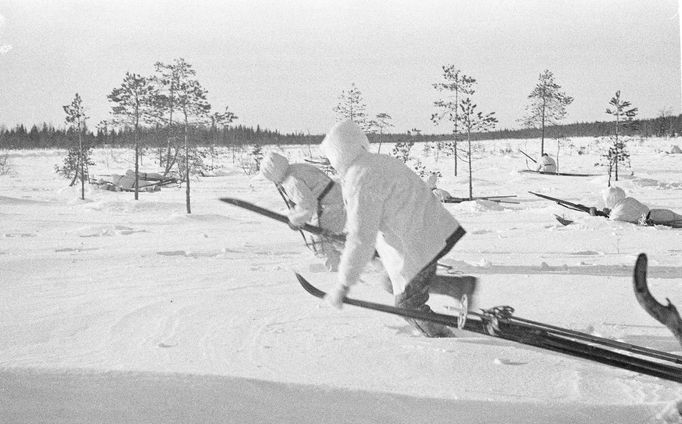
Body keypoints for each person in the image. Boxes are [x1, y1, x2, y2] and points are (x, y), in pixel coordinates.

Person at [320, 120, 471, 337]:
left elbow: (361, 237)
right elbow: (374, 218)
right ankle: (459, 287)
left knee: (407, 305)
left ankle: (445, 340)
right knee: (392, 282)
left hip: (418, 242)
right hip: (433, 231)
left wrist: (343, 284)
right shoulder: (378, 162)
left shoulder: (359, 178)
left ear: (337, 155)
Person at [260, 151, 345, 271]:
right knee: (332, 240)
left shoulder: (291, 181)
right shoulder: (297, 168)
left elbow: (308, 205)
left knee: (320, 243)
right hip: (338, 202)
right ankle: (350, 261)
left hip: (331, 208)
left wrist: (296, 220)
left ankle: (337, 273)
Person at [591, 186, 682, 228]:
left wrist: (597, 214)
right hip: (660, 213)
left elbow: (614, 221)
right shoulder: (629, 200)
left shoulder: (619, 211)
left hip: (658, 219)